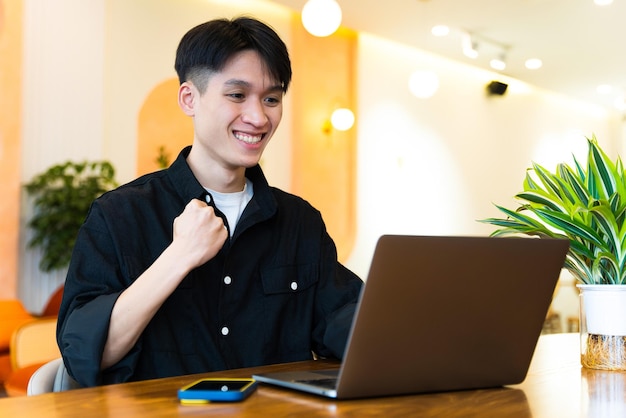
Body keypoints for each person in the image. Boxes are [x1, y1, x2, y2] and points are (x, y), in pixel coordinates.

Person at [56, 16, 363, 387]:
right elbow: (84, 353)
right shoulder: (118, 216)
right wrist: (179, 255)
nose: (258, 116)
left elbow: (347, 322)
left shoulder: (300, 221)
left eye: (272, 98)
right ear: (190, 98)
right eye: (237, 95)